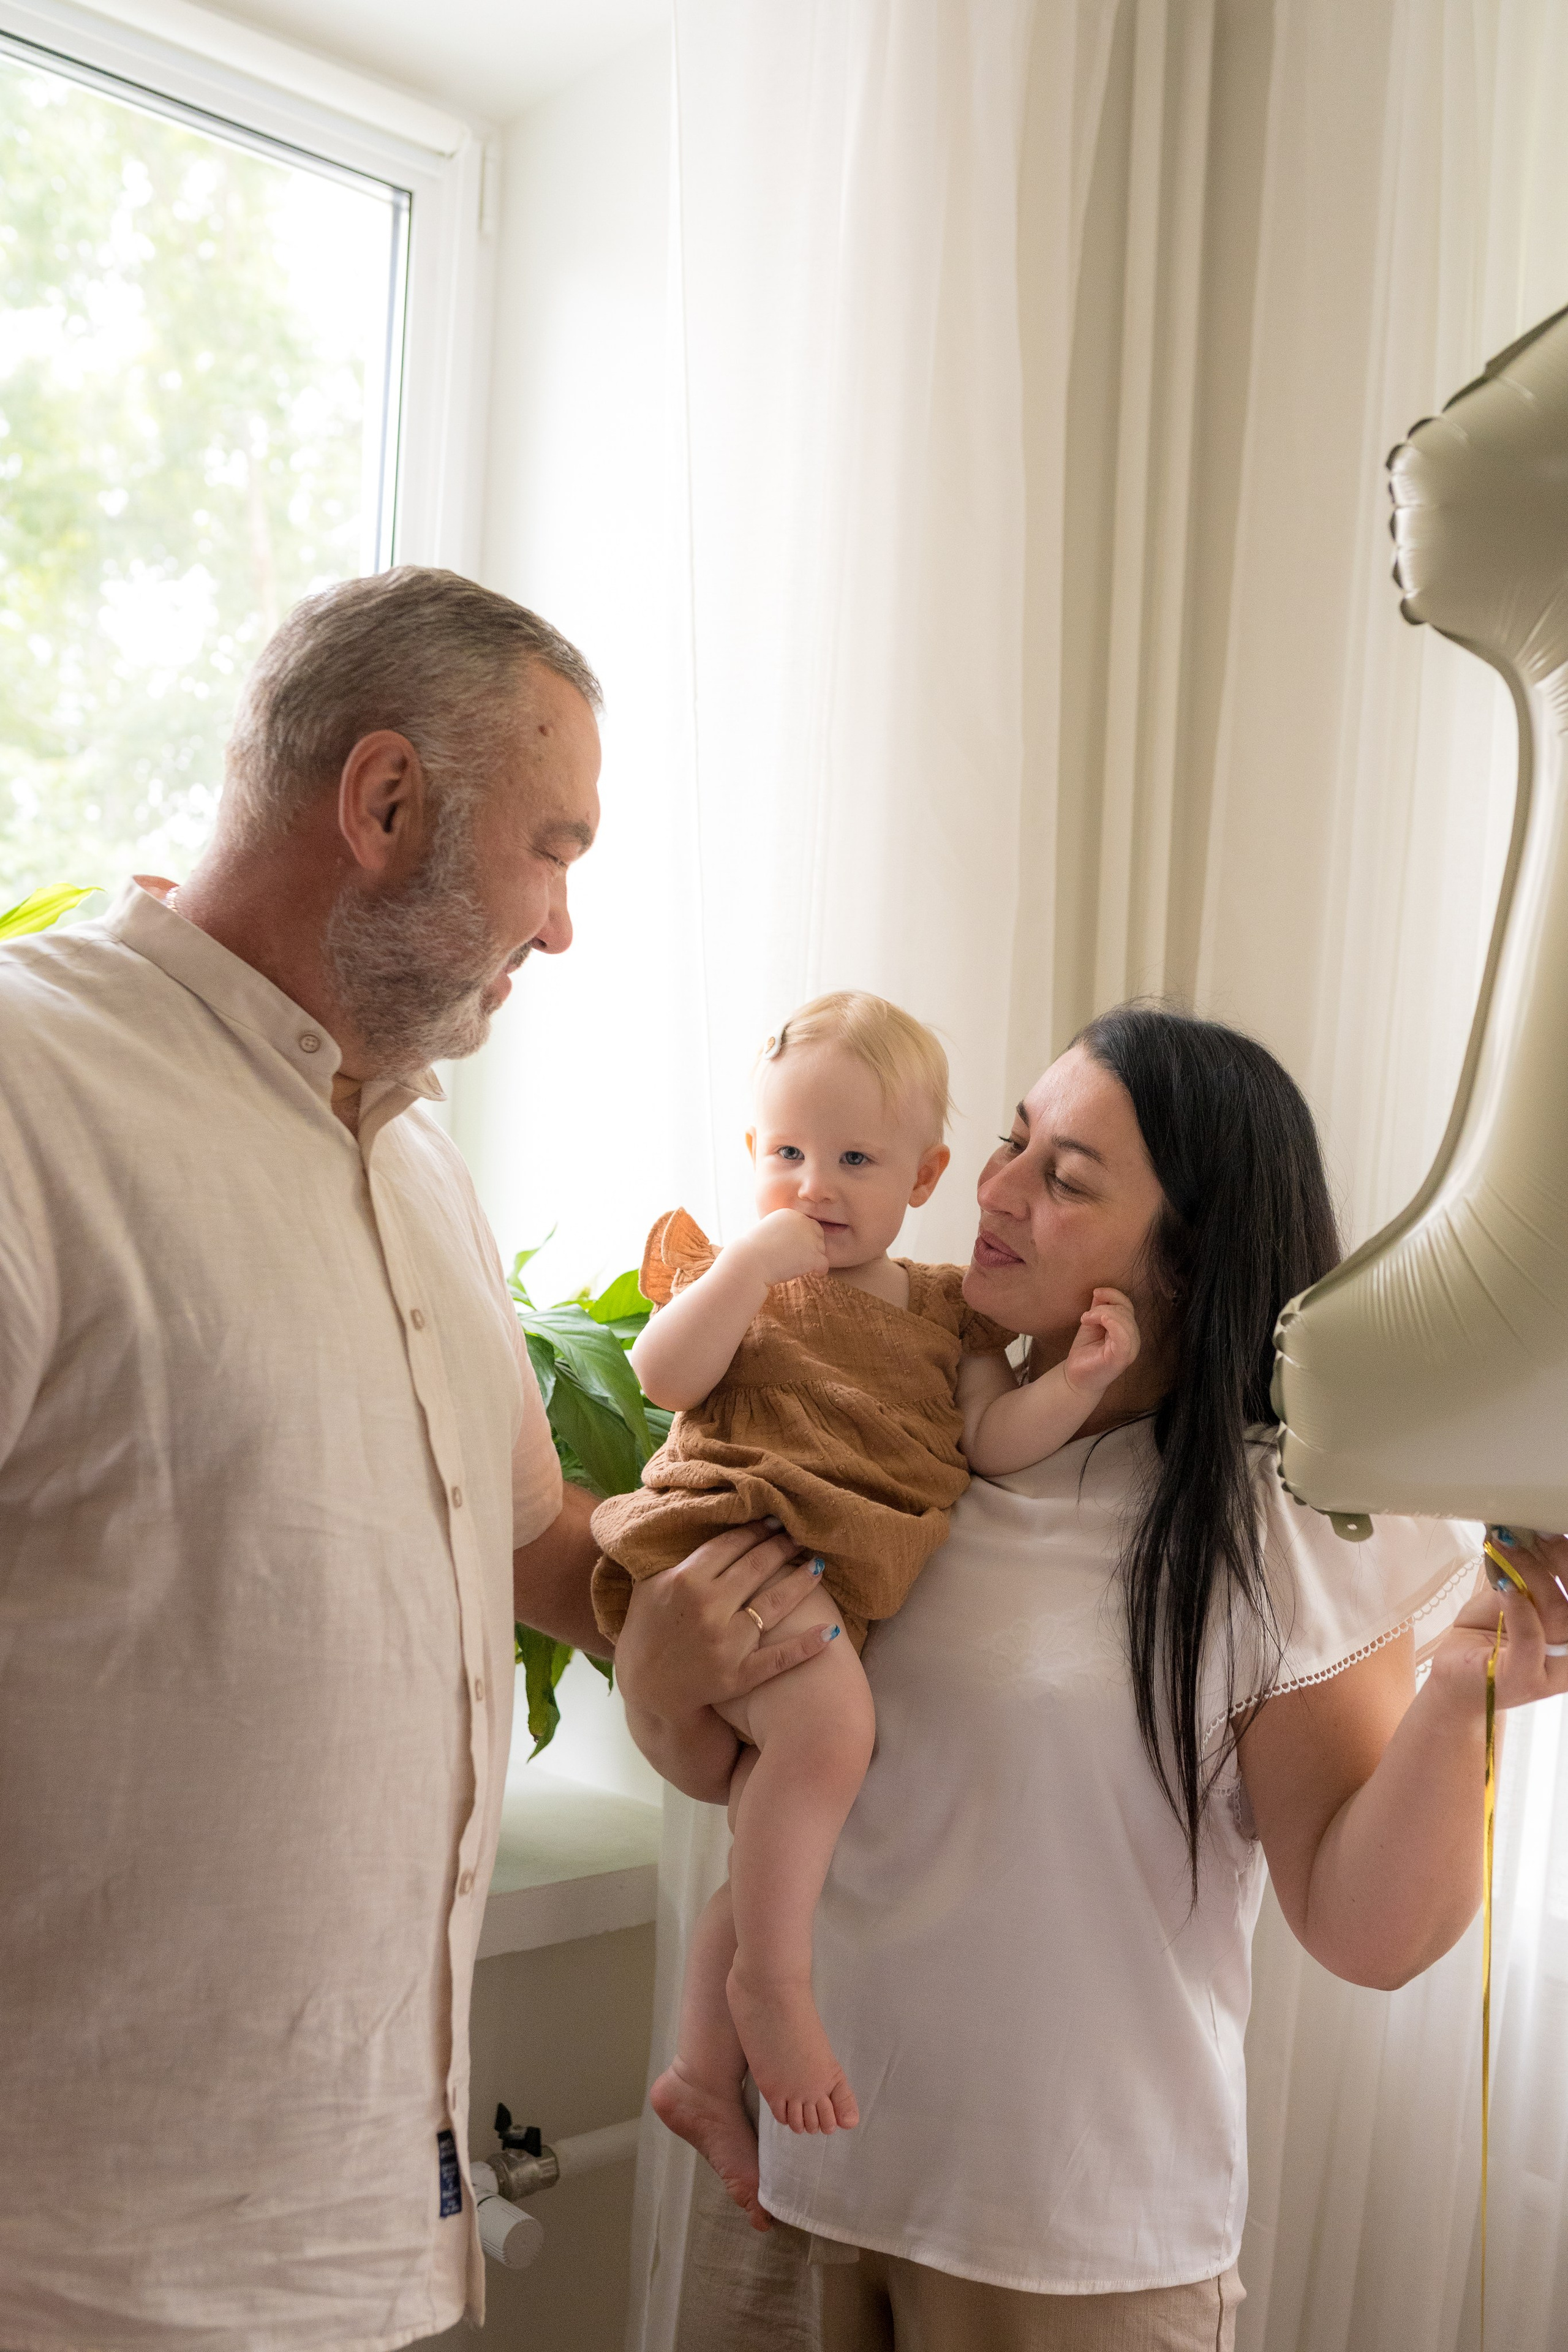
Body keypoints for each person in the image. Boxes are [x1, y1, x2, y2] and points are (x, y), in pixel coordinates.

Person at [0, 567, 824, 2352]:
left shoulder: (420, 1161)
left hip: (369, 2238)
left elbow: (537, 1542)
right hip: (74, 2261)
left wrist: (771, 1602)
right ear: (382, 805)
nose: (565, 926)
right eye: (555, 847)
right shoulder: (28, 1087)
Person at [615, 1005, 1568, 2352]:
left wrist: (1463, 1683)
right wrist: (656, 1678)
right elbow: (755, 1768)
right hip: (793, 2188)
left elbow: (1367, 1930)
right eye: (1012, 1141)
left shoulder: (1261, 1517)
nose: (993, 1188)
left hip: (1062, 2248)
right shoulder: (907, 1440)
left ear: (1182, 1259)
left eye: (1064, 1178)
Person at [591, 992, 1138, 2219]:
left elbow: (994, 1438)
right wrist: (742, 1268)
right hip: (737, 1540)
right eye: (783, 1155)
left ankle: (695, 2071)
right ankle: (770, 1994)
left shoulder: (945, 1312)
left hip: (827, 1582)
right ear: (751, 1159)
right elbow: (660, 1374)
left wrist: (1083, 1380)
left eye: (850, 1160)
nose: (812, 1188)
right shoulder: (753, 1282)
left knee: (775, 1829)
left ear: (927, 1174)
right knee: (832, 1742)